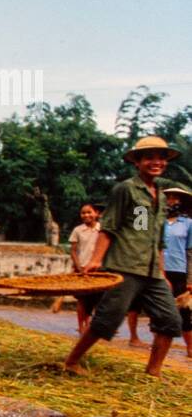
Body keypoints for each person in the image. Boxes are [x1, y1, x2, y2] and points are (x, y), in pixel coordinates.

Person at [63, 136, 183, 377]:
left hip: (152, 272)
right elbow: (109, 228)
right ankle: (72, 361)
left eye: (161, 158)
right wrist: (96, 259)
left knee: (171, 321)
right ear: (137, 162)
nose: (156, 162)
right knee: (107, 320)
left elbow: (158, 239)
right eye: (149, 157)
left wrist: (162, 271)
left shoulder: (161, 193)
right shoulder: (125, 189)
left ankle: (153, 372)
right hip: (124, 268)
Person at [162, 186, 192, 358]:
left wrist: (190, 278)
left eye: (175, 198)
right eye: (168, 198)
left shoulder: (188, 224)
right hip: (159, 271)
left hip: (179, 270)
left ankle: (189, 347)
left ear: (181, 202)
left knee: (184, 312)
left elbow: (190, 252)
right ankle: (160, 346)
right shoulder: (157, 223)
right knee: (160, 310)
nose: (171, 201)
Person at [69, 202, 103, 334]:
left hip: (98, 269)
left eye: (89, 212)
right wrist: (79, 267)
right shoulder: (77, 230)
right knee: (82, 299)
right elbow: (73, 251)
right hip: (82, 268)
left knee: (97, 299)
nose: (86, 215)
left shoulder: (102, 230)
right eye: (83, 212)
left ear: (97, 214)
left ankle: (93, 325)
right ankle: (81, 326)